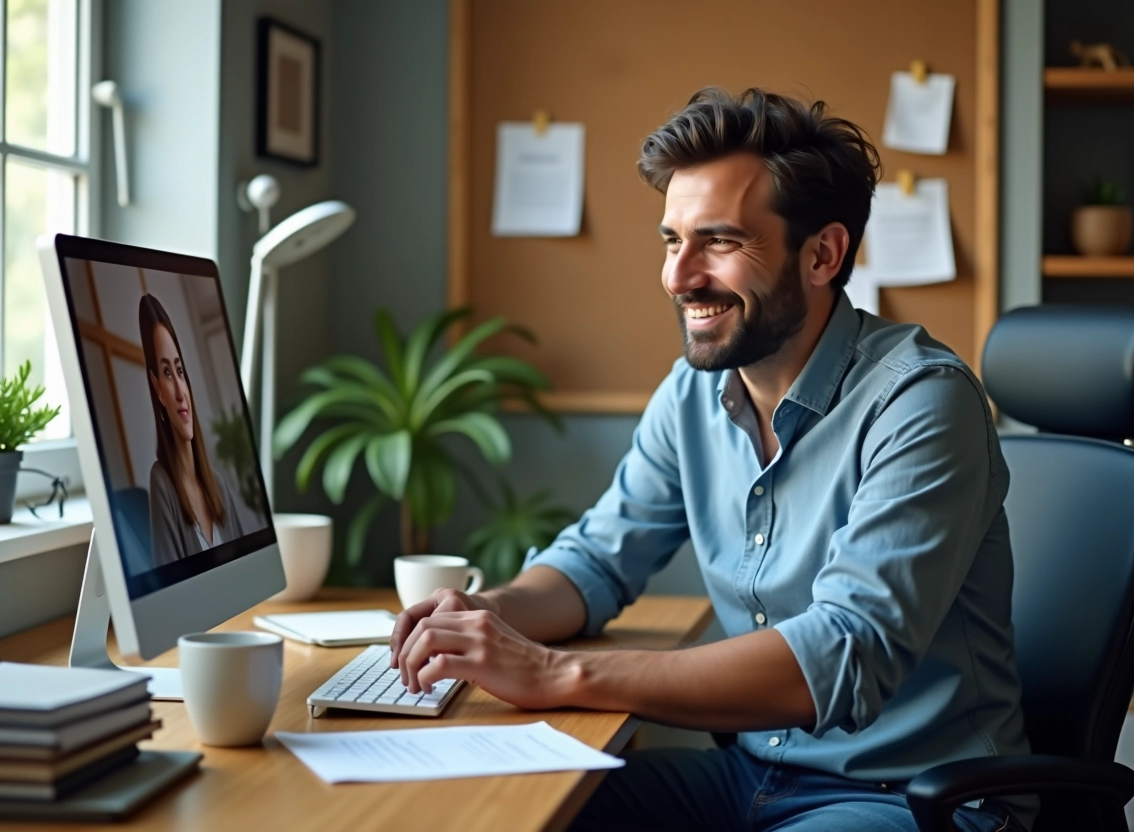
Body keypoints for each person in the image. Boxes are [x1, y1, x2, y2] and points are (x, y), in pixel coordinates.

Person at [389, 88, 1032, 831]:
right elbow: (596, 562)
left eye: (719, 242)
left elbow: (845, 654)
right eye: (672, 240)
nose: (678, 276)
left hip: (912, 797)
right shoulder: (694, 394)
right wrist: (487, 616)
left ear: (823, 254)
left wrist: (554, 672)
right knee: (504, 814)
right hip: (749, 776)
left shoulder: (921, 402)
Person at [139, 293, 251, 565]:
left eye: (179, 371)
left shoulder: (219, 486)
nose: (179, 391)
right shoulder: (162, 482)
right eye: (166, 374)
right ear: (157, 389)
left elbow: (246, 571)